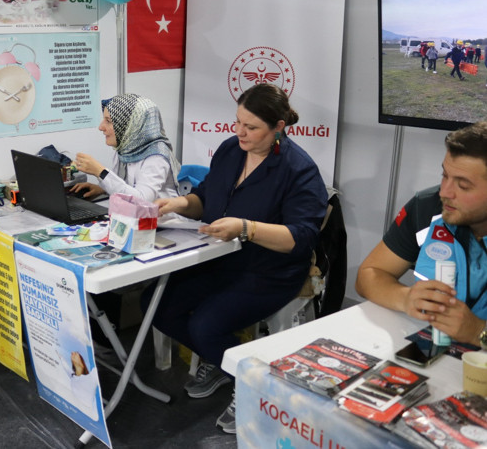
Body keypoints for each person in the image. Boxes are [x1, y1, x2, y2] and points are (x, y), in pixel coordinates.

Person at [144, 83, 327, 434]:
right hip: (220, 259)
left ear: (279, 127)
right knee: (156, 303)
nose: (239, 132)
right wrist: (179, 204)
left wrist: (247, 228)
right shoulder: (231, 150)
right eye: (237, 121)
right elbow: (204, 198)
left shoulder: (298, 169)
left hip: (270, 270)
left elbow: (302, 238)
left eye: (252, 127)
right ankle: (222, 359)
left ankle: (257, 387)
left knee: (205, 325)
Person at [356, 122, 487, 349]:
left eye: (463, 186)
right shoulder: (427, 207)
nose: (445, 192)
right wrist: (405, 298)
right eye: (444, 175)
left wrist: (478, 332)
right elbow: (369, 275)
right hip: (432, 352)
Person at [70, 94, 180, 202]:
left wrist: (101, 172)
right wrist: (102, 189)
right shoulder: (125, 148)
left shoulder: (156, 157)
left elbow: (142, 200)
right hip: (130, 217)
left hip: (162, 219)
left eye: (108, 121)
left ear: (132, 125)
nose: (101, 127)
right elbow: (124, 185)